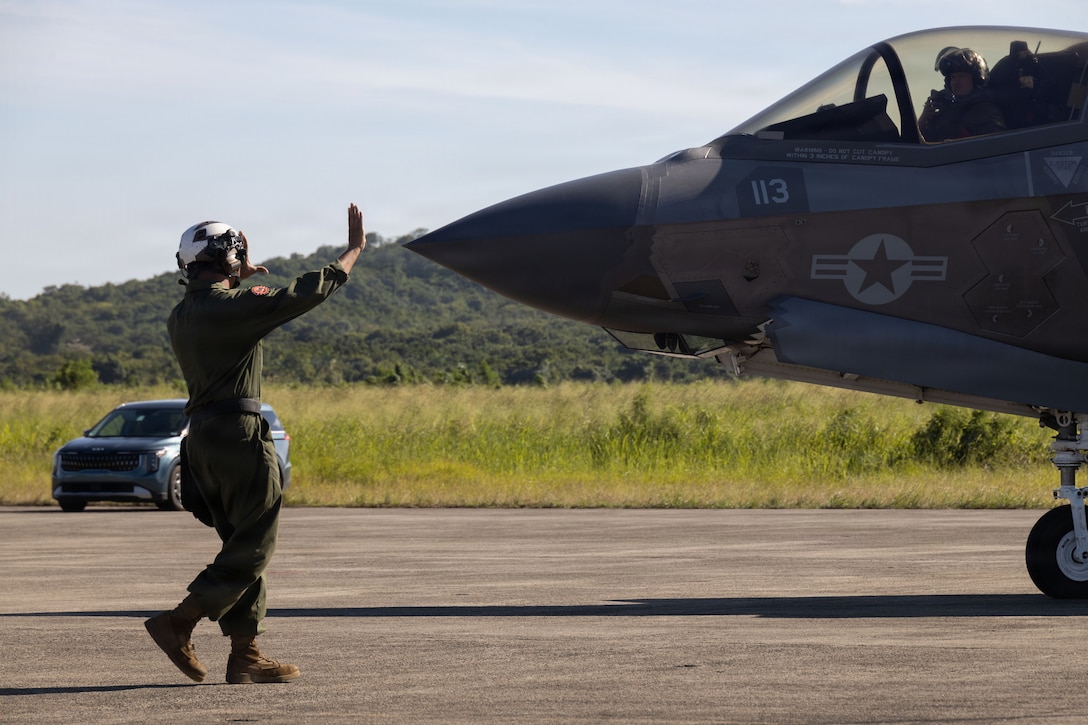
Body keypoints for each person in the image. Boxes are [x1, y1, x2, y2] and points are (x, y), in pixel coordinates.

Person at [145, 203, 367, 684]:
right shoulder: (233, 308)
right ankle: (179, 620)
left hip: (202, 441)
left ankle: (246, 653)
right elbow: (298, 294)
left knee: (239, 544)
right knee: (255, 545)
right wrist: (350, 254)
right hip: (238, 438)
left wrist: (235, 273)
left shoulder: (180, 316)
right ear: (228, 258)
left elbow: (223, 301)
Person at [919, 47, 1006, 142]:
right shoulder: (947, 112)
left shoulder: (987, 111)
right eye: (953, 77)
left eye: (961, 76)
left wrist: (955, 144)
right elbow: (922, 146)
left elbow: (997, 145)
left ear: (976, 79)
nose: (956, 82)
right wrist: (923, 121)